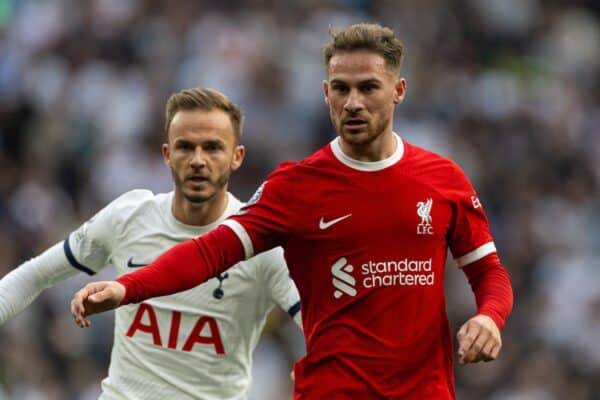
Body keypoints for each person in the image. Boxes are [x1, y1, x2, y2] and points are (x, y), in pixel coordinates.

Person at [71, 23, 513, 399]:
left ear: (398, 91)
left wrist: (489, 317)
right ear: (325, 93)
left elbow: (489, 272)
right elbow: (209, 253)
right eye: (341, 88)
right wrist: (129, 288)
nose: (353, 102)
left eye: (368, 87)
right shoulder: (296, 186)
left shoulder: (443, 179)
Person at [0, 87, 302, 400]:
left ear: (236, 156)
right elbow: (34, 275)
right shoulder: (129, 217)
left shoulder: (262, 245)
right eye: (185, 147)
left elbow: (326, 329)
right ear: (167, 154)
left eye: (213, 148)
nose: (198, 161)